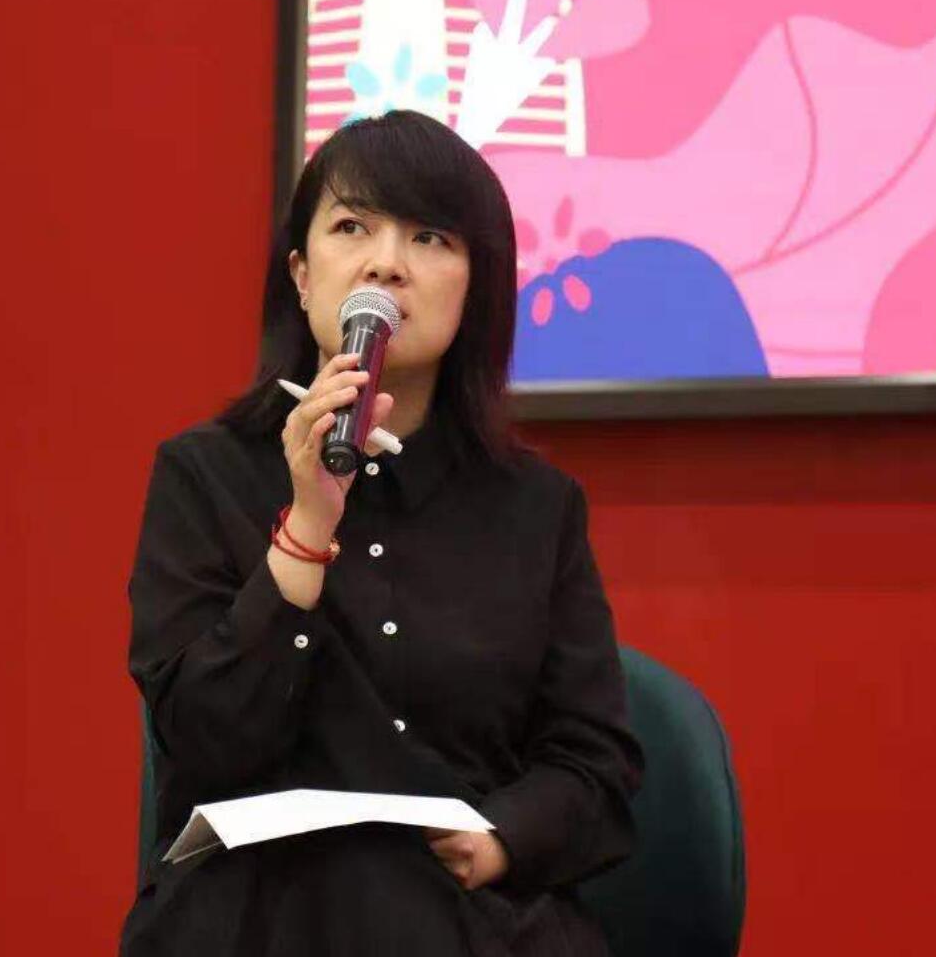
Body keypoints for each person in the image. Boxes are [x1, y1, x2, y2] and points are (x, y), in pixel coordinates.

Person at [120, 110, 643, 956]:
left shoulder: (538, 509)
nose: (386, 263)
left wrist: (500, 839)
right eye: (352, 227)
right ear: (301, 274)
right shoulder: (203, 476)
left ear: (475, 290)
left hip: (466, 911)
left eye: (429, 237)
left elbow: (596, 765)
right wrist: (307, 527)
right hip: (259, 912)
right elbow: (202, 743)